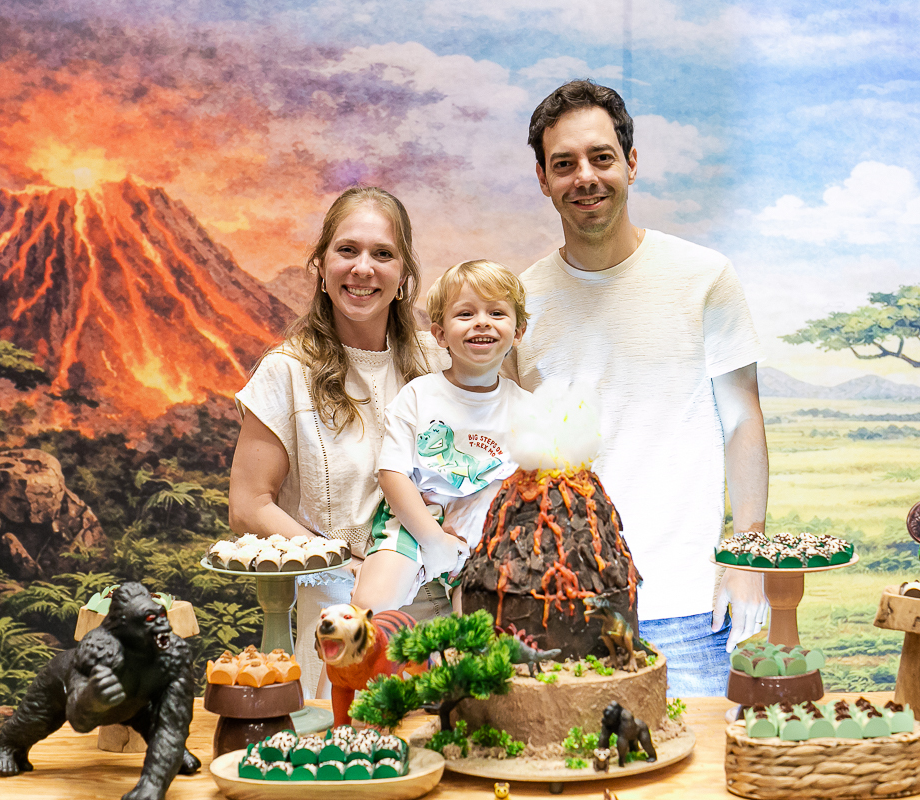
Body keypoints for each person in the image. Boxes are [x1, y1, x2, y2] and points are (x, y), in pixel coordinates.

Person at [504, 80, 771, 696]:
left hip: (690, 603)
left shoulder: (704, 277)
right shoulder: (519, 302)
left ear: (630, 162)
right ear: (543, 179)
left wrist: (746, 557)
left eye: (601, 157)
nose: (585, 177)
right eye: (564, 164)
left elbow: (742, 422)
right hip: (561, 606)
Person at [228, 186, 449, 699]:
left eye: (383, 254)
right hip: (338, 620)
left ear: (404, 276)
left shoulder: (439, 370)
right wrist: (334, 561)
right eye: (347, 250)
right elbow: (248, 505)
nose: (363, 268)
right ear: (321, 266)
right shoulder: (287, 373)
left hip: (435, 630)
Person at [353, 259, 532, 611]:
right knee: (371, 607)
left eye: (496, 313)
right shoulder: (419, 396)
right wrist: (432, 539)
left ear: (519, 331)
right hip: (417, 517)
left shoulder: (527, 409)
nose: (482, 321)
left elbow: (526, 482)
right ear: (439, 334)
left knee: (485, 626)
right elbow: (392, 473)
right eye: (465, 314)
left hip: (486, 533)